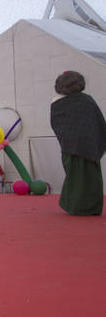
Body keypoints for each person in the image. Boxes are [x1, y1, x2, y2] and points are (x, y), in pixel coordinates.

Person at [50, 70, 106, 215]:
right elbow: (98, 122)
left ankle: (75, 206)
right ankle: (90, 208)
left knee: (75, 179)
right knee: (91, 179)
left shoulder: (58, 103)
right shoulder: (86, 100)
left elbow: (58, 124)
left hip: (71, 147)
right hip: (88, 146)